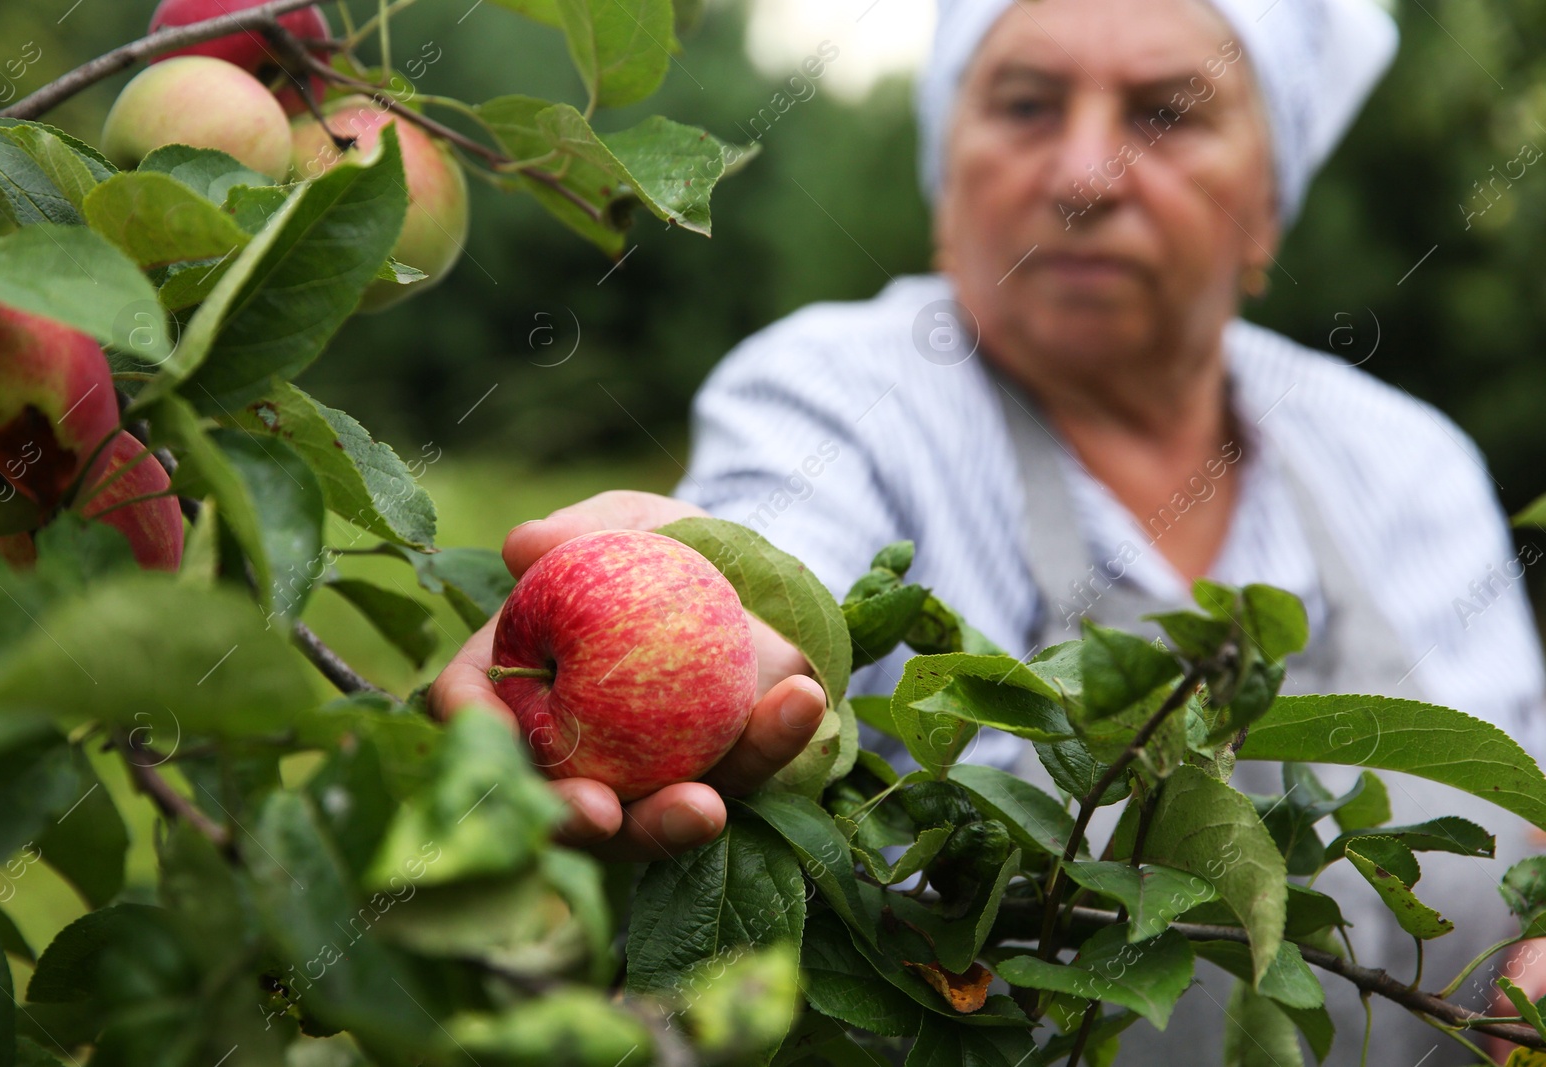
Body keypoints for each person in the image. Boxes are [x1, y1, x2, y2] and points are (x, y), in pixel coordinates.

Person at [433, 0, 1546, 1060]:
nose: (1081, 175)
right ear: (944, 171)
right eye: (1024, 105)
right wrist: (676, 590)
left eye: (1166, 114)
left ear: (1268, 198)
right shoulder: (841, 391)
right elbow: (770, 561)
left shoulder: (1406, 462)